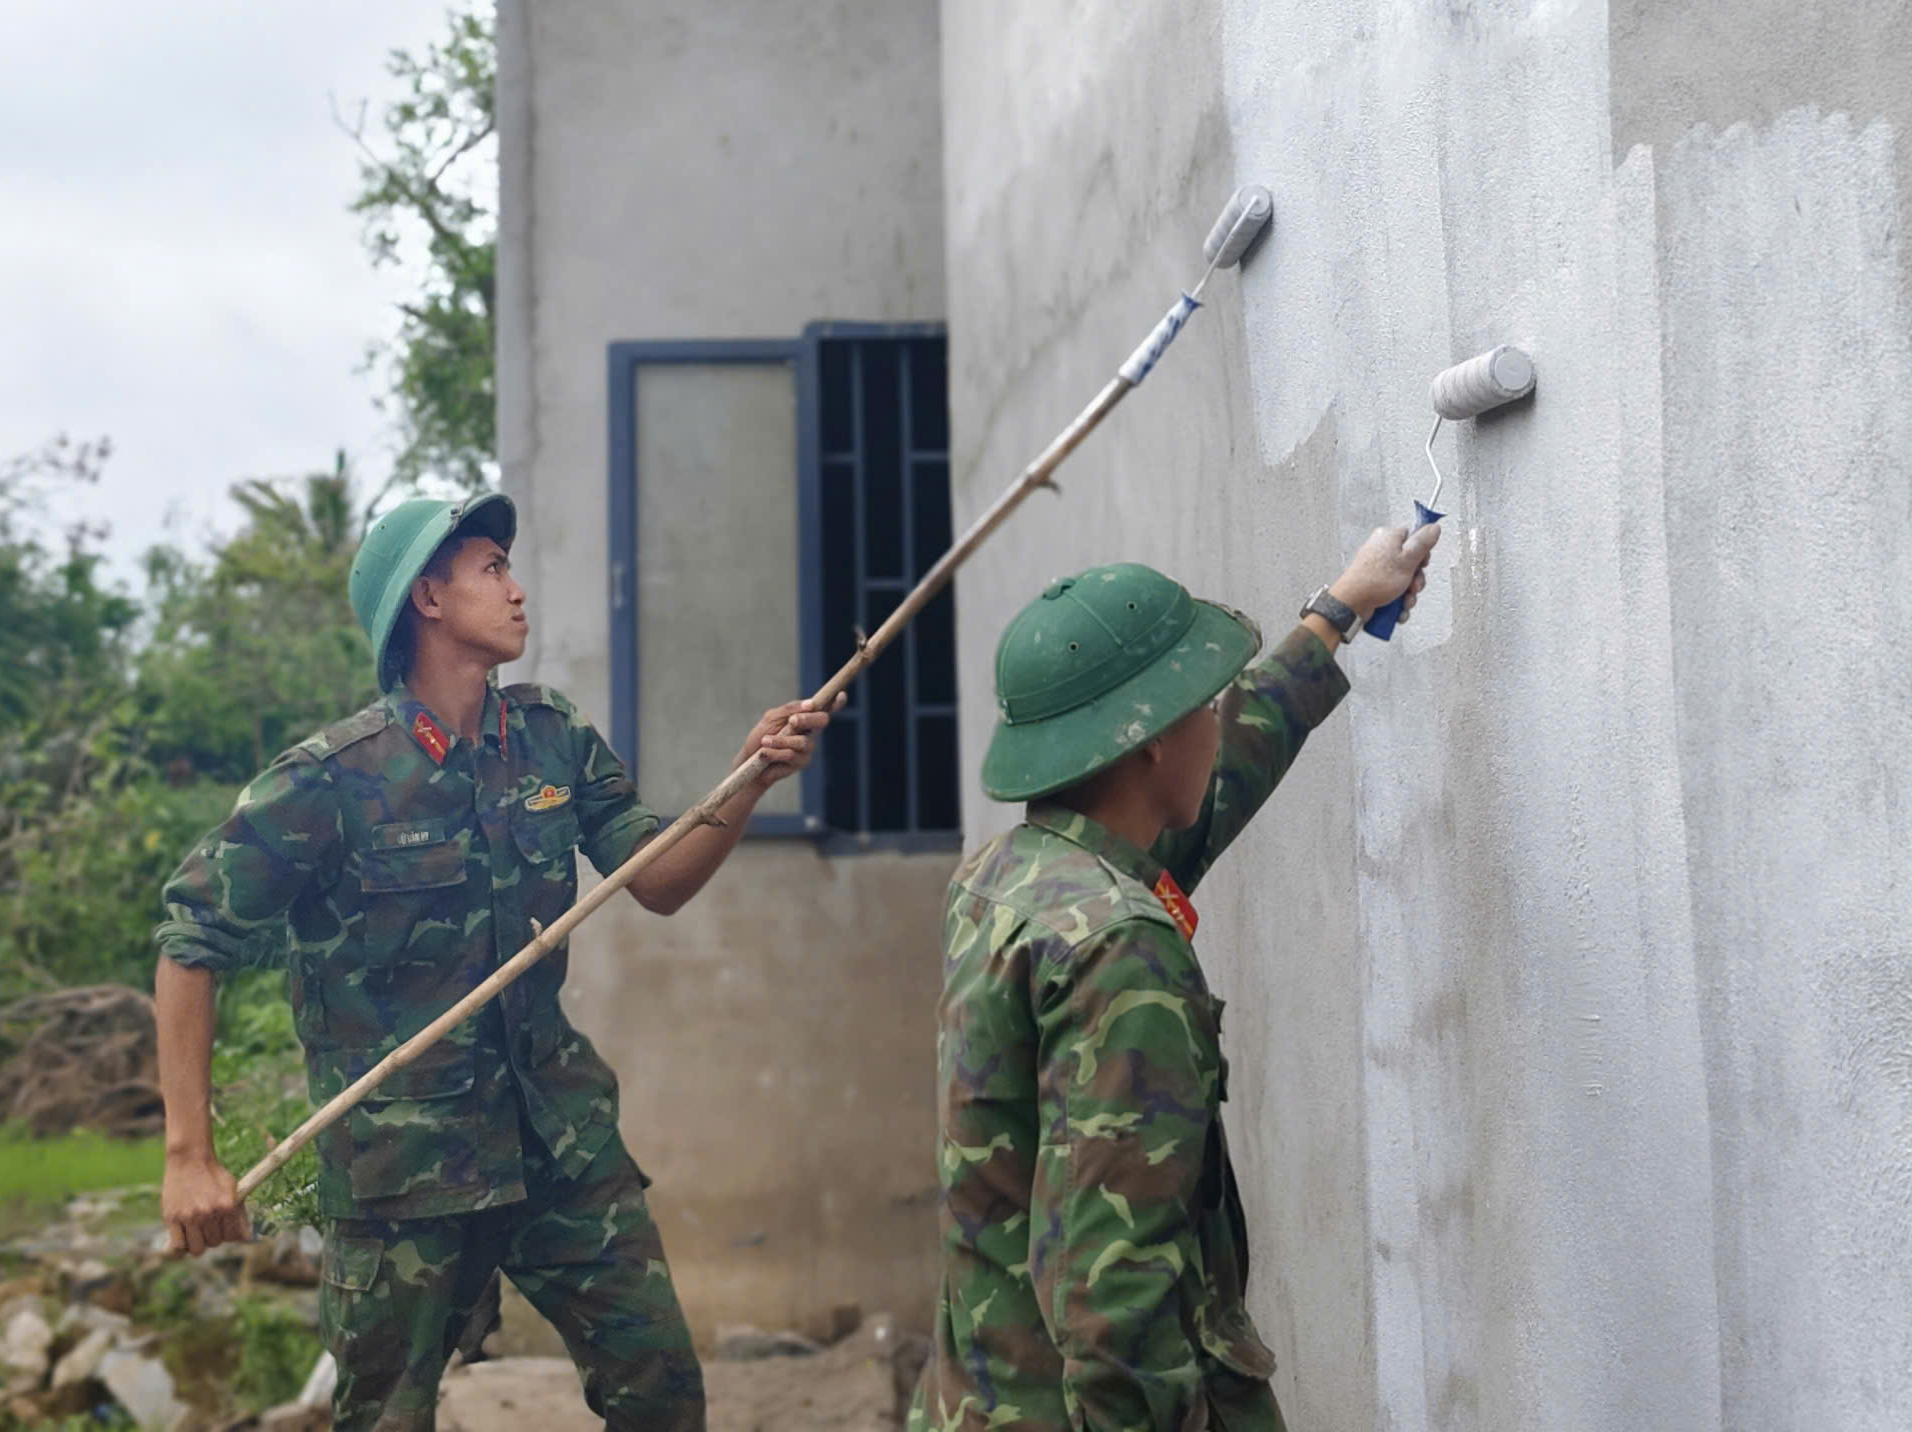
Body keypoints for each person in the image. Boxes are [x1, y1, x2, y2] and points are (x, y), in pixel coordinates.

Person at [152, 490, 831, 1432]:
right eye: (492, 570)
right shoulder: (330, 780)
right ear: (429, 598)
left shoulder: (549, 736)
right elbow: (191, 939)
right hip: (403, 1176)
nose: (517, 590)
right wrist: (190, 1157)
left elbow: (657, 878)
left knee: (663, 1394)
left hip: (558, 1140)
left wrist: (750, 777)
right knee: (386, 1419)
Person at [908, 523, 1439, 1431]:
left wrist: (1339, 611)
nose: (1216, 718)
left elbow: (1220, 776)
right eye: (1204, 703)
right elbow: (1115, 1289)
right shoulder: (1121, 949)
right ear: (1149, 742)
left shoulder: (1013, 878)